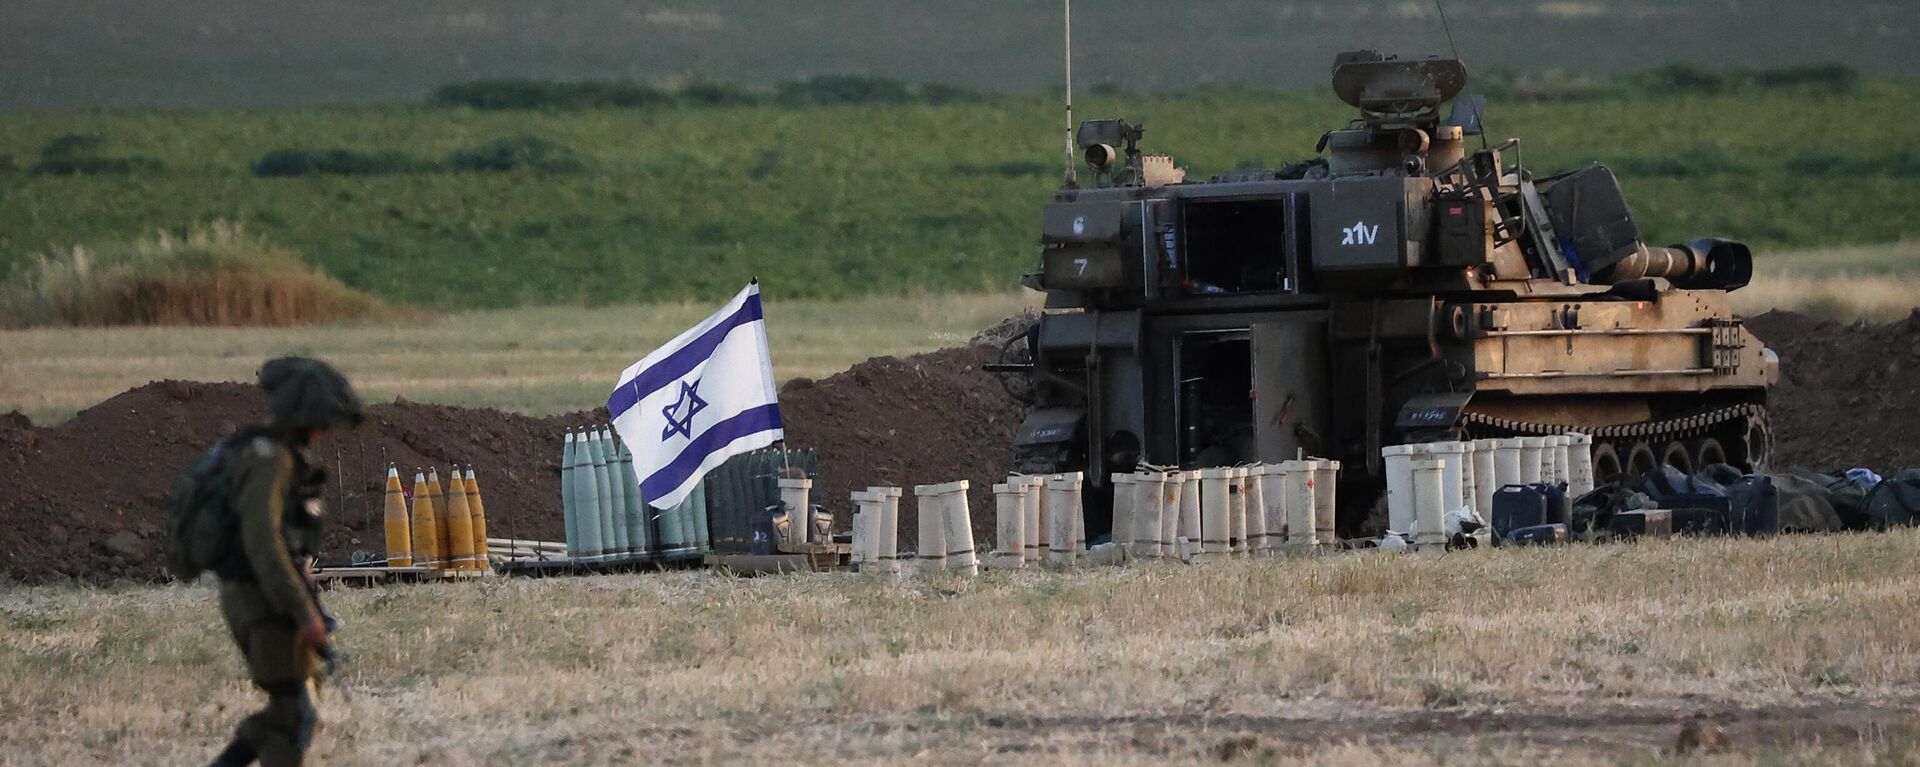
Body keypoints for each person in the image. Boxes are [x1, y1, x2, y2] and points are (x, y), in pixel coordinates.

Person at [208, 357, 364, 767]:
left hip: (264, 596)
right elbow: (264, 541)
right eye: (323, 421)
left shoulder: (271, 453)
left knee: (285, 712)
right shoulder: (271, 460)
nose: (325, 432)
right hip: (262, 602)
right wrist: (303, 612)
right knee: (294, 719)